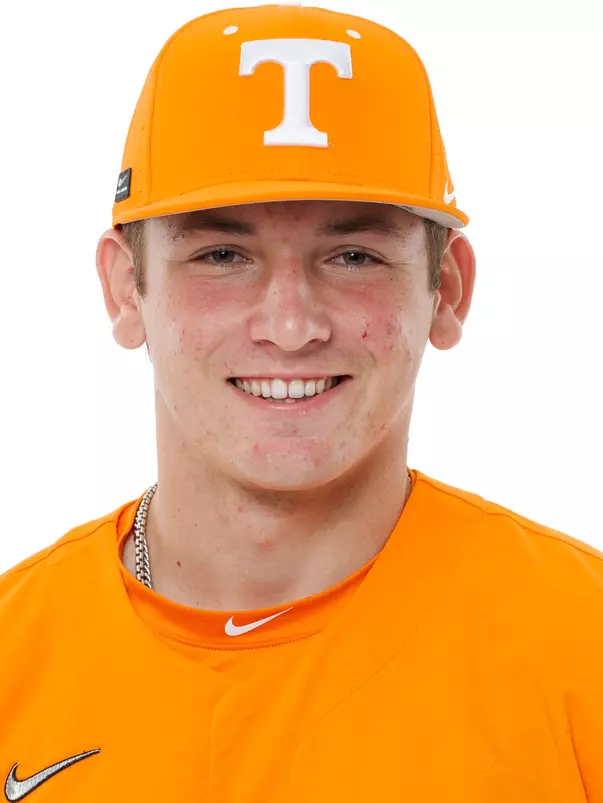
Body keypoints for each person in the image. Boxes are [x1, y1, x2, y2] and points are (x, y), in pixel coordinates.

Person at [1, 4, 602, 801]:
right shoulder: (15, 654)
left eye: (353, 254)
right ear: (123, 289)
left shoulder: (581, 646)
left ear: (447, 289)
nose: (290, 326)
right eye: (221, 254)